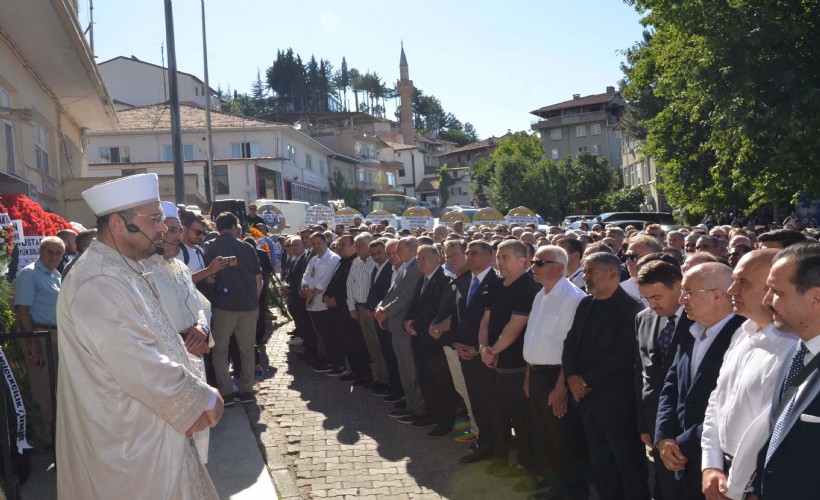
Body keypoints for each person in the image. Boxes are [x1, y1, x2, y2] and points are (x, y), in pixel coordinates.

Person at [57, 174, 221, 498]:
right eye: (155, 219)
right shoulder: (99, 282)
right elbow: (140, 363)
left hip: (149, 437)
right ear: (120, 224)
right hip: (127, 451)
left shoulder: (126, 268)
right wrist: (204, 398)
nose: (163, 228)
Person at [700, 249, 796, 499]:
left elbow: (764, 432)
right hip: (725, 476)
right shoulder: (742, 332)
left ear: (771, 289)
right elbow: (717, 399)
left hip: (756, 485)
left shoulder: (793, 351)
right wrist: (710, 464)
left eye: (742, 282)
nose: (732, 290)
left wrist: (737, 489)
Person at [562, 252, 650, 500]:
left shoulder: (631, 309)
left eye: (590, 271)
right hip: (586, 399)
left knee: (628, 466)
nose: (585, 277)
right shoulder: (586, 304)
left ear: (612, 273)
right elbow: (570, 343)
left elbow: (623, 357)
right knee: (601, 465)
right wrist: (571, 377)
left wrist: (585, 380)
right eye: (585, 271)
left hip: (617, 403)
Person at [655, 263, 745, 499]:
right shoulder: (691, 332)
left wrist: (682, 442)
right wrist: (664, 437)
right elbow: (671, 387)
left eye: (687, 292)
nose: (681, 300)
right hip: (682, 460)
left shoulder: (744, 336)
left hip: (719, 467)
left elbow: (732, 406)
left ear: (716, 295)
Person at [748, 242, 820, 499]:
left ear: (815, 298)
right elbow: (779, 434)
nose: (766, 300)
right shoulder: (796, 351)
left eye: (776, 291)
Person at [143, 201, 213, 460]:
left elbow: (202, 305)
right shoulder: (142, 271)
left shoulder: (183, 268)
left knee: (198, 434)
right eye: (170, 230)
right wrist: (184, 339)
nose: (177, 235)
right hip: (168, 363)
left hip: (195, 355)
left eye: (178, 230)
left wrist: (201, 327)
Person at [523, 245, 589, 499]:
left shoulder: (572, 298)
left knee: (563, 440)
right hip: (537, 375)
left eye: (539, 262)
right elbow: (533, 338)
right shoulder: (541, 294)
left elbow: (570, 349)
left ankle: (573, 492)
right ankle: (556, 487)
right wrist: (529, 377)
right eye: (534, 262)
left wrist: (560, 388)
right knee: (546, 437)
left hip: (556, 378)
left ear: (559, 268)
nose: (533, 267)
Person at [479, 240, 541, 481]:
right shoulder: (496, 285)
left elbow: (515, 326)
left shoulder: (528, 286)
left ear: (522, 260)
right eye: (498, 257)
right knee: (500, 413)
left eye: (505, 257)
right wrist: (483, 348)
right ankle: (502, 458)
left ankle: (528, 467)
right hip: (494, 360)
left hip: (516, 365)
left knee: (523, 419)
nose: (499, 262)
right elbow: (485, 320)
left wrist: (492, 351)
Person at [635, 259, 693, 500]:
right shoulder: (643, 318)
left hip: (689, 424)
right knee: (661, 485)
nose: (652, 304)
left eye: (656, 297)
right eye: (646, 298)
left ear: (678, 287)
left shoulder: (699, 319)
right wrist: (644, 423)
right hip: (654, 421)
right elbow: (641, 373)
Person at [203, 212, 263, 406]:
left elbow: (209, 277)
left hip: (224, 305)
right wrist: (255, 302)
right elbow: (258, 278)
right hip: (248, 305)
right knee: (247, 350)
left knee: (220, 350)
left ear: (217, 228)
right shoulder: (247, 247)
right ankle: (246, 391)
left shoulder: (210, 246)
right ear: (235, 227)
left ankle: (226, 393)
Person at [456, 240, 505, 464]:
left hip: (485, 355)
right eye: (467, 252)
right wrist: (458, 343)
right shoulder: (466, 280)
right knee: (477, 401)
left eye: (474, 253)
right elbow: (461, 316)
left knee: (492, 403)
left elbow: (495, 322)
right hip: (465, 352)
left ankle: (499, 449)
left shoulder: (497, 282)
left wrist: (479, 348)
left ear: (488, 257)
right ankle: (484, 443)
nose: (469, 256)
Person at [14, 235, 65, 447]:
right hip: (39, 335)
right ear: (40, 252)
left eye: (58, 253)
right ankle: (47, 438)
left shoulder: (55, 274)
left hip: (54, 334)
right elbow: (22, 311)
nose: (53, 256)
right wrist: (33, 343)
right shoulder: (30, 274)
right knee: (43, 389)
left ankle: (56, 436)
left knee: (56, 388)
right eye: (49, 252)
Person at [404, 244, 455, 434]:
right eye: (417, 258)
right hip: (419, 340)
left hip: (434, 341)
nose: (419, 261)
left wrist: (415, 324)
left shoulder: (444, 280)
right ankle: (432, 414)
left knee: (441, 383)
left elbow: (435, 308)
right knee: (426, 380)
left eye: (424, 258)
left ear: (438, 259)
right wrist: (406, 321)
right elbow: (414, 305)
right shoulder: (422, 280)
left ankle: (446, 421)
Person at [375, 237, 426, 423]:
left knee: (410, 369)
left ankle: (418, 408)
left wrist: (384, 312)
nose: (396, 252)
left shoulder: (414, 268)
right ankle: (410, 404)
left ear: (412, 249)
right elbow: (391, 293)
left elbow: (405, 298)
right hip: (395, 326)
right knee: (404, 369)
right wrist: (380, 309)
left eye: (399, 248)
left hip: (404, 327)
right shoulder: (405, 267)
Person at [347, 233, 388, 388]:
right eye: (355, 246)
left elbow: (377, 289)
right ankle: (380, 377)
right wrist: (352, 307)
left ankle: (386, 378)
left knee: (379, 345)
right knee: (371, 346)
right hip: (361, 308)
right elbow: (349, 285)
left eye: (360, 246)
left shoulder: (376, 262)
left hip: (374, 310)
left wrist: (372, 308)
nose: (357, 249)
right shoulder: (356, 262)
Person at [301, 232, 341, 373]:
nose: (316, 246)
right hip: (311, 303)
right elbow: (306, 275)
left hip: (323, 303)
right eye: (314, 244)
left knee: (329, 335)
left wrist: (310, 296)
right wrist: (305, 287)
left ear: (325, 242)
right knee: (319, 334)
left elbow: (324, 281)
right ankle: (323, 358)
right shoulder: (313, 259)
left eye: (319, 243)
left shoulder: (333, 258)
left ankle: (333, 362)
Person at [366, 239, 399, 397]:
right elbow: (373, 290)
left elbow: (388, 295)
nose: (376, 256)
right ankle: (392, 385)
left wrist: (378, 310)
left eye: (379, 252)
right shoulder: (376, 268)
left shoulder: (391, 269)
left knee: (392, 355)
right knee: (384, 352)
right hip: (377, 317)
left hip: (387, 317)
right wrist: (368, 308)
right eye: (373, 254)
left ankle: (396, 388)